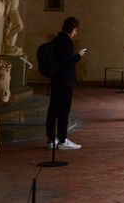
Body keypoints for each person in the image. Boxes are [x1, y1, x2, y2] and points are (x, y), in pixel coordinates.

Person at [47, 16, 88, 149]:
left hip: (55, 79)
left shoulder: (55, 40)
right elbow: (68, 63)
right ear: (72, 29)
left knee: (53, 109)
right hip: (65, 81)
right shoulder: (66, 42)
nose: (76, 34)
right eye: (76, 31)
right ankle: (63, 140)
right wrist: (79, 55)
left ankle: (51, 139)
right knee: (64, 110)